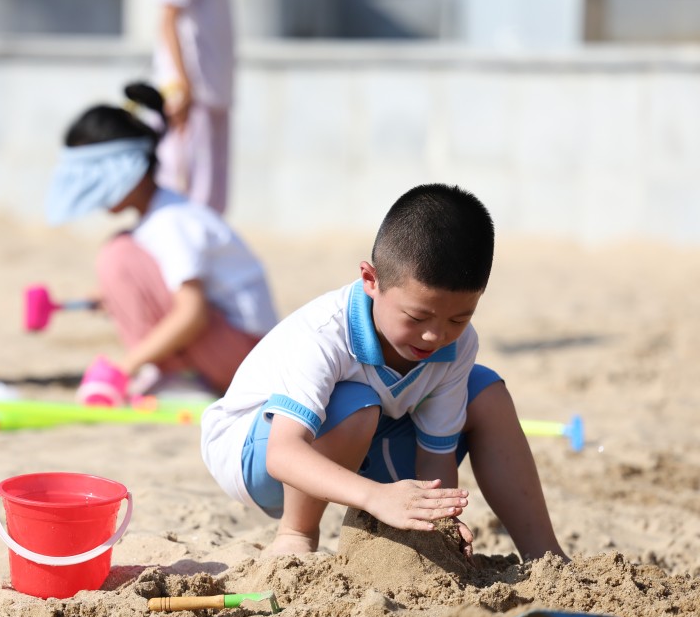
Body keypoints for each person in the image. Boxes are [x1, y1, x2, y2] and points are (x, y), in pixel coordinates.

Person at [201, 184, 567, 562]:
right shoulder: (325, 333)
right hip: (257, 455)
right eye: (417, 316)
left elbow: (436, 454)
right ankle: (297, 532)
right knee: (356, 402)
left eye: (460, 317)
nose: (435, 335)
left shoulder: (457, 345)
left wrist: (438, 519)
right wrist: (375, 497)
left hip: (365, 439)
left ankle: (546, 556)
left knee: (486, 392)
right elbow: (282, 453)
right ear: (370, 280)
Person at [46, 83, 277, 405]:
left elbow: (192, 313)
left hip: (244, 357)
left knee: (117, 256)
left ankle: (181, 379)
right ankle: (177, 374)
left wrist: (125, 368)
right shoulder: (162, 216)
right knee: (122, 254)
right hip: (242, 350)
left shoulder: (171, 223)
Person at [154, 0, 234, 215]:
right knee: (190, 193)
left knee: (209, 198)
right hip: (193, 94)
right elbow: (168, 16)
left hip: (210, 91)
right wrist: (183, 85)